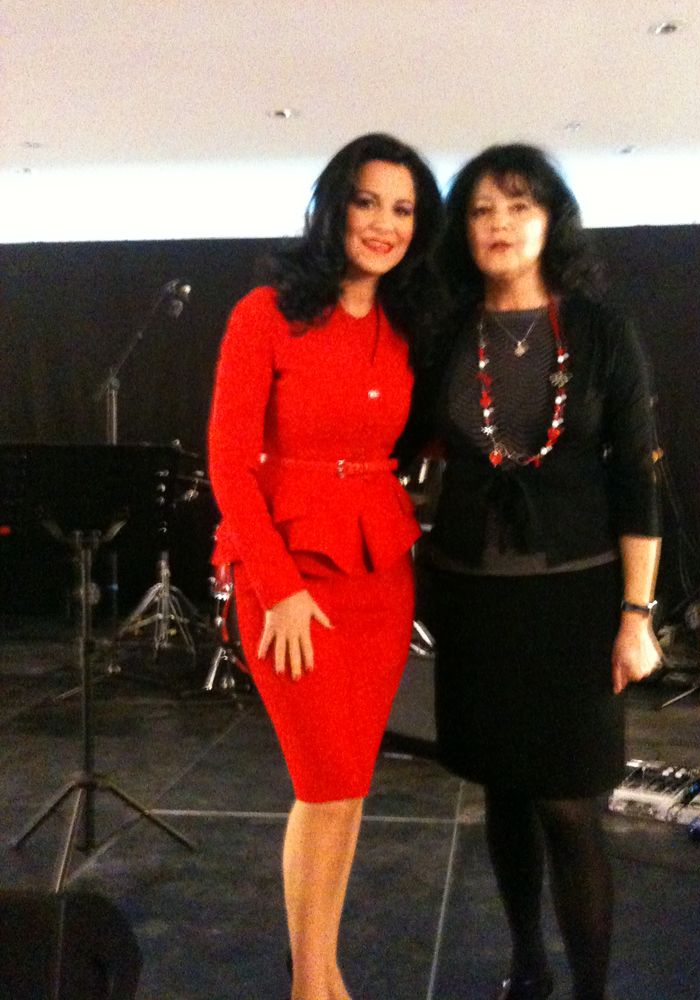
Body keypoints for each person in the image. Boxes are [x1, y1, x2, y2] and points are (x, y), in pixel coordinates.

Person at [207, 133, 442, 1000]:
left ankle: (324, 968)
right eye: (368, 201)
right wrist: (279, 588)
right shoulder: (264, 313)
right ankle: (310, 985)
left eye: (403, 209)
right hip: (289, 582)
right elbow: (229, 462)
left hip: (380, 578)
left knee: (349, 788)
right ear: (335, 205)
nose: (384, 223)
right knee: (323, 779)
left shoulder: (406, 328)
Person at [424, 145, 662, 1000]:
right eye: (482, 209)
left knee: (568, 803)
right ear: (463, 229)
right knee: (504, 790)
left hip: (576, 598)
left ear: (551, 219)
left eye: (519, 206)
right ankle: (528, 963)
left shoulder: (600, 331)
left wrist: (637, 614)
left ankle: (591, 990)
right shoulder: (444, 333)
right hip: (474, 599)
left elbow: (637, 479)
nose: (500, 224)